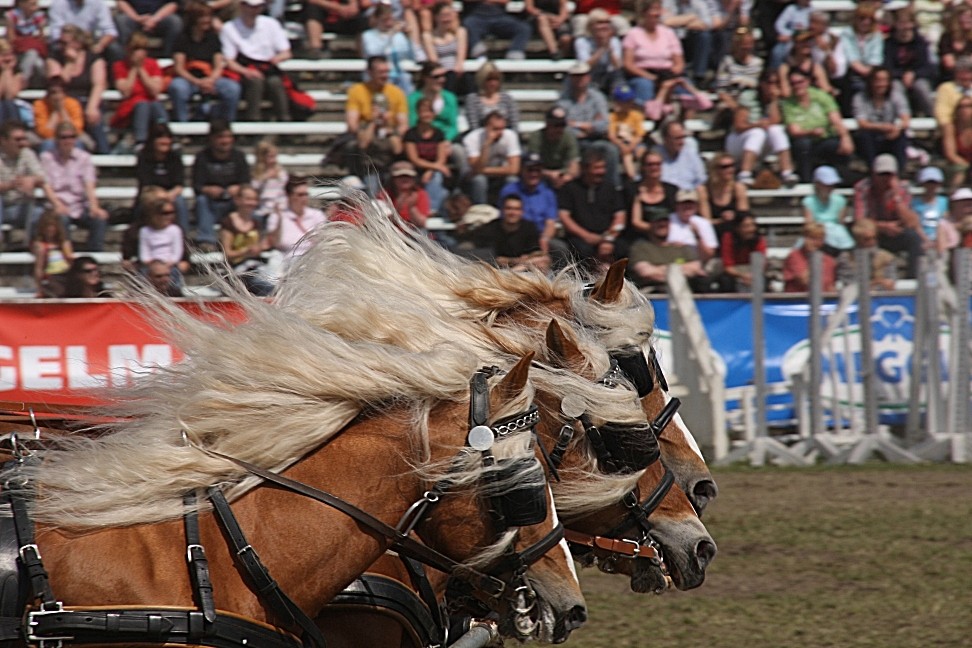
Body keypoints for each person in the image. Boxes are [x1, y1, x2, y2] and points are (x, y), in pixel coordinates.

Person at [718, 60, 798, 186]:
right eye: (770, 83)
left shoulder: (776, 100)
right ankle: (745, 174)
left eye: (776, 83)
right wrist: (757, 125)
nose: (773, 86)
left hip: (760, 145)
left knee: (776, 130)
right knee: (757, 133)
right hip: (738, 141)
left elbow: (775, 121)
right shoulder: (748, 96)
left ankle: (787, 172)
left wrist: (773, 100)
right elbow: (739, 125)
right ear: (762, 83)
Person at [40, 121, 109, 251]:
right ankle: (67, 256)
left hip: (79, 205)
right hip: (57, 205)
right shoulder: (47, 157)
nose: (68, 140)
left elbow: (89, 184)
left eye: (71, 137)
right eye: (63, 137)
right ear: (56, 139)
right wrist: (57, 205)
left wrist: (94, 207)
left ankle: (94, 257)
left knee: (99, 219)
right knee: (61, 219)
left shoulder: (84, 158)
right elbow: (46, 185)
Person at [852, 153, 924, 278]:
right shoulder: (863, 188)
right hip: (873, 232)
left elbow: (911, 222)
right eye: (881, 175)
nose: (885, 179)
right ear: (874, 174)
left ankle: (913, 279)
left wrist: (896, 197)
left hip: (896, 231)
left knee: (914, 238)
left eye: (888, 175)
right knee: (864, 233)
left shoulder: (903, 188)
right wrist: (883, 226)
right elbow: (860, 220)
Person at [345, 55, 408, 193]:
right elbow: (352, 125)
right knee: (360, 148)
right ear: (369, 73)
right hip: (366, 140)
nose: (385, 75)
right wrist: (372, 120)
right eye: (381, 72)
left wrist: (389, 127)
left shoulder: (397, 93)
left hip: (389, 138)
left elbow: (403, 125)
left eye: (387, 71)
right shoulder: (357, 91)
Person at [169, 1, 240, 123]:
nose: (207, 20)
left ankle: (225, 125)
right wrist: (198, 82)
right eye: (203, 17)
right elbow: (179, 68)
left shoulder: (213, 38)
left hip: (210, 78)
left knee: (232, 88)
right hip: (189, 79)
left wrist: (211, 80)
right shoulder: (182, 38)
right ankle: (183, 126)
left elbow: (218, 66)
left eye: (208, 17)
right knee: (177, 87)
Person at [220, 0, 292, 122]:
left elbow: (286, 52)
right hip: (244, 68)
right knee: (255, 82)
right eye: (250, 6)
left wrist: (277, 58)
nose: (254, 10)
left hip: (267, 67)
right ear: (242, 6)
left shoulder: (271, 24)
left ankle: (284, 120)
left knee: (275, 82)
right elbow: (229, 60)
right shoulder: (229, 28)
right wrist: (245, 71)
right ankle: (253, 120)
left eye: (258, 7)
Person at [45, 25, 110, 153]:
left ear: (78, 43)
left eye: (65, 43)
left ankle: (105, 155)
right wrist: (70, 62)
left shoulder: (93, 58)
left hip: (87, 100)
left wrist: (92, 107)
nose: (62, 46)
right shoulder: (54, 57)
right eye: (60, 43)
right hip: (63, 102)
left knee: (95, 116)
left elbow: (99, 84)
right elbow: (57, 84)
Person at [557, 148, 626, 268]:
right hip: (580, 238)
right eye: (597, 168)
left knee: (623, 248)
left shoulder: (610, 188)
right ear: (585, 169)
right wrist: (586, 236)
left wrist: (608, 239)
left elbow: (620, 216)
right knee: (581, 250)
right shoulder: (570, 189)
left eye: (603, 167)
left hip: (607, 236)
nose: (601, 171)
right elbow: (564, 216)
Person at [781, 69, 854, 183]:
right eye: (793, 83)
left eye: (800, 82)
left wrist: (845, 137)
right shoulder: (788, 103)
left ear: (807, 81)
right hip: (803, 142)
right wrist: (811, 132)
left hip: (824, 139)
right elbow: (794, 131)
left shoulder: (821, 97)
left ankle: (841, 181)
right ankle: (806, 181)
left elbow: (835, 119)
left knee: (838, 146)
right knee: (803, 144)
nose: (797, 86)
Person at [558, 61, 620, 189]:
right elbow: (563, 125)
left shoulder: (597, 97)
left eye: (582, 75)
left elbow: (604, 124)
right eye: (575, 76)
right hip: (574, 141)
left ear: (588, 77)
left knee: (610, 150)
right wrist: (589, 126)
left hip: (596, 140)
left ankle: (612, 189)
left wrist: (577, 124)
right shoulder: (563, 100)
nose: (579, 79)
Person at [192, 119, 251, 248]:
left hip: (233, 203)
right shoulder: (202, 157)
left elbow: (246, 183)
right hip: (211, 204)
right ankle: (206, 241)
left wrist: (238, 188)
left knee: (248, 200)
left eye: (228, 136)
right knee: (201, 200)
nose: (225, 141)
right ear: (212, 139)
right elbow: (197, 186)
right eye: (221, 137)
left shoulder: (239, 156)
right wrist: (209, 190)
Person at [498, 152, 564, 262]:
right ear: (522, 170)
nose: (534, 174)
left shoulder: (548, 193)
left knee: (561, 249)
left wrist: (545, 238)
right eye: (530, 170)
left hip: (540, 236)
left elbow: (550, 222)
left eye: (537, 170)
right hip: (517, 235)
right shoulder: (509, 190)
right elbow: (505, 217)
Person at [0, 120, 56, 240]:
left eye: (24, 139)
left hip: (20, 206)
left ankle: (33, 246)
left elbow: (42, 177)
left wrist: (32, 179)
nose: (22, 143)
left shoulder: (27, 153)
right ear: (3, 140)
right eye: (17, 139)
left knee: (42, 214)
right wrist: (11, 185)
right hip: (3, 205)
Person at [111, 32, 168, 149]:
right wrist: (133, 69)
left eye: (142, 49)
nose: (139, 52)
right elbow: (126, 92)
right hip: (130, 108)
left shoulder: (152, 64)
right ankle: (140, 141)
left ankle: (165, 135)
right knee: (143, 105)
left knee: (155, 105)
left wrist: (141, 70)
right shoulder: (119, 66)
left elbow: (155, 91)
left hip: (151, 106)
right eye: (135, 49)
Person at [628, 206, 707, 290]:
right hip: (653, 290)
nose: (662, 224)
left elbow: (696, 268)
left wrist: (660, 269)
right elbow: (646, 272)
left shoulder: (682, 247)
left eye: (665, 221)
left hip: (685, 289)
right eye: (658, 221)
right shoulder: (640, 247)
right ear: (650, 224)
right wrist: (682, 269)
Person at [622, 0, 684, 103]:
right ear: (643, 12)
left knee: (683, 85)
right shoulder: (633, 34)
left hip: (667, 73)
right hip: (643, 74)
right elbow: (628, 64)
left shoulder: (668, 33)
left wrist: (670, 76)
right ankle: (647, 115)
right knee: (644, 85)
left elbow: (679, 63)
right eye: (653, 10)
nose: (657, 14)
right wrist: (651, 77)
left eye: (658, 9)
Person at [472, 193, 550, 273]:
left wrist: (518, 262)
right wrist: (519, 260)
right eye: (509, 208)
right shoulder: (489, 229)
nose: (512, 213)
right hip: (495, 271)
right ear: (502, 210)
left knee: (543, 262)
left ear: (522, 212)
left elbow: (536, 254)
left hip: (523, 269)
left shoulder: (529, 228)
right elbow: (493, 259)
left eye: (517, 209)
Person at [852, 66, 910, 170]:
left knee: (901, 136)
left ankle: (899, 173)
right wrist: (881, 127)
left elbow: (905, 117)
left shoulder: (896, 95)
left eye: (884, 80)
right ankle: (873, 172)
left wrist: (897, 129)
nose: (881, 84)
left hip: (891, 133)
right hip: (871, 133)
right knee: (865, 136)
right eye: (878, 80)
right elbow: (862, 123)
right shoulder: (860, 97)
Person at [219, 184, 273, 296]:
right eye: (248, 199)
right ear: (238, 200)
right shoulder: (228, 222)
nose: (252, 203)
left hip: (255, 268)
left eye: (254, 199)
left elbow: (258, 248)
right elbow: (227, 254)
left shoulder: (256, 223)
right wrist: (246, 251)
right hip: (237, 271)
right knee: (267, 288)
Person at [135, 122, 188, 233]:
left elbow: (179, 185)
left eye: (168, 138)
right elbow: (145, 184)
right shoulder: (143, 158)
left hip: (171, 195)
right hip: (149, 194)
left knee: (180, 202)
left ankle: (184, 237)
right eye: (160, 138)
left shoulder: (175, 158)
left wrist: (168, 195)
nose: (165, 141)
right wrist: (160, 196)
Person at [462, 110, 521, 206]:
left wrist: (483, 170)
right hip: (478, 177)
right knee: (479, 180)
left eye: (502, 128)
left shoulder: (510, 136)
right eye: (495, 129)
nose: (500, 132)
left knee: (512, 180)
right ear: (486, 127)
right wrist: (486, 145)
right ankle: (481, 209)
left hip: (499, 175)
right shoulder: (472, 139)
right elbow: (476, 168)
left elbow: (514, 169)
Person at [404, 97, 450, 215]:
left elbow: (441, 158)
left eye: (429, 111)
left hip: (433, 169)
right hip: (416, 168)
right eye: (423, 111)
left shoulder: (438, 133)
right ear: (418, 113)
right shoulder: (411, 134)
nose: (426, 114)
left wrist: (430, 170)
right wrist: (434, 167)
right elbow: (414, 158)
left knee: (436, 176)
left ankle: (432, 210)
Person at [360, 3, 419, 94]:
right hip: (379, 76)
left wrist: (409, 38)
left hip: (399, 75)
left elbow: (413, 56)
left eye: (391, 19)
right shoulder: (368, 36)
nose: (389, 23)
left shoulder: (399, 36)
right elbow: (374, 53)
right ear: (377, 19)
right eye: (385, 20)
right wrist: (391, 35)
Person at [266, 175, 327, 261]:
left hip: (312, 258)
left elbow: (323, 240)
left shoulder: (317, 215)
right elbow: (274, 243)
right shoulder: (277, 216)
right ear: (289, 196)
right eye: (300, 195)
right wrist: (280, 220)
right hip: (285, 258)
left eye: (306, 194)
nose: (304, 198)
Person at [837, 3, 884, 114]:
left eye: (869, 19)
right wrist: (863, 70)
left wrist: (868, 71)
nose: (866, 22)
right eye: (862, 18)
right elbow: (851, 56)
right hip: (852, 72)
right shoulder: (847, 34)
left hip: (872, 71)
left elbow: (876, 57)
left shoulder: (877, 36)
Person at [138, 191, 187, 290]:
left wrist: (167, 264)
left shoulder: (175, 230)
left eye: (171, 213)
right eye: (165, 213)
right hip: (151, 264)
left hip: (170, 264)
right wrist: (154, 264)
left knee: (173, 273)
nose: (169, 216)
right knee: (142, 273)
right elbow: (144, 252)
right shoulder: (145, 231)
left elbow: (177, 252)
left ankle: (175, 292)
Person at [525, 105, 580, 190]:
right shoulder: (536, 137)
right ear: (547, 124)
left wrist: (564, 177)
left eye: (562, 125)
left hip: (562, 176)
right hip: (541, 176)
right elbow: (532, 165)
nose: (559, 129)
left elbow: (575, 168)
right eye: (556, 125)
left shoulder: (569, 137)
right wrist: (549, 174)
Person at [802, 165, 853, 255]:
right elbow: (808, 223)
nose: (829, 187)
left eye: (832, 185)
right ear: (817, 184)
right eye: (826, 185)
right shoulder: (809, 201)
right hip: (817, 232)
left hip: (837, 235)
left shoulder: (840, 200)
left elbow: (841, 222)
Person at [629, 150, 678, 241]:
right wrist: (656, 229)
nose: (654, 167)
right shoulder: (631, 190)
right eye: (650, 164)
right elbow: (634, 222)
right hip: (639, 238)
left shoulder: (672, 190)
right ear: (643, 167)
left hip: (668, 238)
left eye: (658, 164)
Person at [837, 218, 898, 290]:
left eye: (874, 238)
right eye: (867, 239)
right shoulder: (846, 258)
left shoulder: (887, 257)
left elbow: (890, 283)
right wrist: (876, 282)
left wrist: (875, 284)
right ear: (858, 239)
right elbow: (850, 285)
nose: (872, 242)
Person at [421, 2, 468, 96]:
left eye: (449, 15)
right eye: (443, 15)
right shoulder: (428, 36)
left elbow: (460, 57)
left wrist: (456, 68)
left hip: (456, 71)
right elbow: (434, 60)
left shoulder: (460, 32)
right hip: (440, 71)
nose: (447, 19)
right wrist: (443, 72)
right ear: (436, 17)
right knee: (445, 78)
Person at [700, 152, 749, 241]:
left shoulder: (738, 188)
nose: (730, 169)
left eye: (732, 166)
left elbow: (744, 215)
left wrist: (735, 216)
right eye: (725, 167)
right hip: (712, 231)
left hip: (735, 232)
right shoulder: (704, 190)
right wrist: (722, 220)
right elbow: (705, 221)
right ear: (715, 169)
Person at [574, 8, 624, 95]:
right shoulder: (582, 42)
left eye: (607, 22)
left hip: (609, 76)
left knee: (619, 78)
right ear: (591, 26)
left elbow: (617, 66)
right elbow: (585, 66)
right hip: (591, 75)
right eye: (600, 23)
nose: (604, 26)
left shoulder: (614, 41)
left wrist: (609, 49)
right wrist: (602, 48)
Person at [462, 0, 532, 60]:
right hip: (477, 18)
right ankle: (479, 53)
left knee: (523, 28)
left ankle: (515, 52)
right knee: (467, 24)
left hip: (500, 18)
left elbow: (506, 1)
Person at [47, 0, 118, 59]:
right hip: (65, 43)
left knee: (114, 49)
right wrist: (70, 46)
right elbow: (56, 34)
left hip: (90, 43)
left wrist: (100, 45)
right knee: (54, 48)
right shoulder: (58, 4)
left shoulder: (98, 3)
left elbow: (110, 31)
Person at [407, 62, 459, 142]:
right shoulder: (413, 99)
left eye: (443, 76)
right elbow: (413, 123)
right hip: (421, 140)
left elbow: (453, 127)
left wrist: (445, 141)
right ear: (425, 78)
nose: (442, 80)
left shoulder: (450, 97)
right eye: (436, 77)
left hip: (446, 140)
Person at [32, 75, 85, 152]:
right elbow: (44, 133)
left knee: (77, 143)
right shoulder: (39, 105)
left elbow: (75, 130)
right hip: (50, 140)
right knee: (48, 144)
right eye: (53, 93)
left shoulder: (73, 103)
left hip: (69, 138)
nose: (57, 97)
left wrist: (62, 110)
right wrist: (55, 111)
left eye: (60, 92)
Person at [667, 188, 718, 267]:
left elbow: (709, 255)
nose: (687, 207)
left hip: (696, 261)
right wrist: (671, 245)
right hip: (671, 260)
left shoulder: (704, 223)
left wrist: (697, 236)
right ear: (677, 205)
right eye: (683, 203)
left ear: (696, 206)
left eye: (691, 203)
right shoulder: (668, 220)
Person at [114, 0, 183, 58]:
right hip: (134, 18)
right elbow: (121, 2)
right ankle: (125, 59)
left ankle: (167, 58)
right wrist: (137, 18)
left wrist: (154, 20)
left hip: (160, 18)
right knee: (121, 20)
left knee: (175, 21)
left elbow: (173, 4)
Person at [464, 61, 519, 132]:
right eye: (489, 79)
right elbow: (474, 127)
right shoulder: (472, 99)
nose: (493, 83)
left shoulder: (507, 99)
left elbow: (514, 126)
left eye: (496, 79)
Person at [302, 0, 367, 60]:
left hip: (345, 20)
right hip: (322, 17)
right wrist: (338, 8)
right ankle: (315, 49)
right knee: (312, 10)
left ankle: (364, 53)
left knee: (363, 20)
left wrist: (352, 6)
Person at [783, 222, 836, 293]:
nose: (811, 242)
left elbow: (830, 287)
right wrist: (814, 260)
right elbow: (805, 281)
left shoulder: (829, 261)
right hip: (797, 301)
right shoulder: (794, 256)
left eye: (817, 239)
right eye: (809, 237)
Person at [607, 83, 645, 182]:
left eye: (630, 101)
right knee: (626, 156)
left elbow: (640, 134)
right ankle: (633, 177)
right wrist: (622, 146)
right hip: (620, 143)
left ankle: (644, 175)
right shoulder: (613, 117)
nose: (629, 104)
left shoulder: (636, 115)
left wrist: (633, 145)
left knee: (642, 152)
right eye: (625, 102)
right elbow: (611, 135)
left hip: (634, 142)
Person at [779, 30, 834, 97]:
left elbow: (826, 89)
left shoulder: (815, 67)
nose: (807, 44)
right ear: (795, 44)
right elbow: (786, 93)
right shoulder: (786, 68)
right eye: (803, 42)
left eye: (809, 41)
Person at [31, 209, 73, 297]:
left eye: (53, 226)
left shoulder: (64, 243)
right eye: (47, 226)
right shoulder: (40, 245)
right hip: (51, 277)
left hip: (66, 275)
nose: (50, 229)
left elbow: (70, 260)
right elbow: (39, 268)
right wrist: (39, 288)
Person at [720, 212, 766, 292]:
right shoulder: (728, 238)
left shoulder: (759, 239)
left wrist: (752, 275)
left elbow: (761, 263)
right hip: (735, 270)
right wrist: (743, 276)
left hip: (753, 270)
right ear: (737, 228)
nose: (751, 229)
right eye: (746, 226)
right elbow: (728, 266)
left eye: (752, 225)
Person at [657, 120, 707, 193]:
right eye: (677, 138)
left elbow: (701, 181)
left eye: (683, 137)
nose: (682, 142)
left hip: (688, 196)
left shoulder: (691, 155)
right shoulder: (656, 156)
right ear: (665, 139)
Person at [5, 0, 47, 87]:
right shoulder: (12, 16)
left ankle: (26, 81)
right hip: (18, 51)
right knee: (34, 57)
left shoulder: (39, 16)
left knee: (38, 62)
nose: (36, 7)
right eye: (32, 4)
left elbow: (41, 38)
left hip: (34, 49)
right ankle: (23, 81)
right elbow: (11, 38)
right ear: (22, 4)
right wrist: (27, 42)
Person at [379, 160, 430, 227]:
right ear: (393, 178)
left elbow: (421, 224)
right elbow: (384, 222)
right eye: (400, 176)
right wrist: (398, 207)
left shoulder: (421, 194)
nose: (405, 179)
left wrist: (412, 208)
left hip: (414, 233)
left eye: (408, 176)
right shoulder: (384, 195)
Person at [911, 166, 949, 251]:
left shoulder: (944, 201)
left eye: (934, 182)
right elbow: (915, 224)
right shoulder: (914, 203)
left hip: (941, 238)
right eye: (928, 182)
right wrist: (926, 240)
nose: (931, 185)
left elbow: (946, 221)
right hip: (921, 238)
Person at [251, 138, 288, 223]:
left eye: (275, 156)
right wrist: (265, 177)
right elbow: (254, 186)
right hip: (264, 208)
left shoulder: (279, 171)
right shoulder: (258, 173)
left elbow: (284, 181)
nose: (273, 160)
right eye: (270, 157)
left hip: (280, 206)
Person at [770, 0, 812, 69]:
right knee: (777, 51)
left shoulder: (812, 10)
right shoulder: (791, 9)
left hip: (807, 39)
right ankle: (775, 71)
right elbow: (779, 24)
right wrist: (790, 35)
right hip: (791, 38)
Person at [939, 5, 972, 82]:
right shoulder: (946, 38)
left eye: (971, 17)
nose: (969, 20)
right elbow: (949, 63)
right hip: (950, 78)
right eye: (966, 16)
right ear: (957, 19)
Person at [0, 38, 25, 123]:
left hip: (9, 108)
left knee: (9, 104)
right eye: (4, 55)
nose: (8, 58)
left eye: (10, 54)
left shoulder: (17, 73)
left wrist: (7, 70)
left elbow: (10, 95)